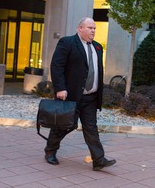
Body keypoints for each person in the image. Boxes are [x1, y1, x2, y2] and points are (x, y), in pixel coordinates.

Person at [44, 17, 116, 171]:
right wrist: (60, 88)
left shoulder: (97, 47)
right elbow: (57, 66)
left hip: (90, 97)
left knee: (91, 128)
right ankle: (50, 150)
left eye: (94, 28)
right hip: (71, 96)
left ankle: (98, 159)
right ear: (80, 29)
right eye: (90, 28)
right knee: (64, 126)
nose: (93, 31)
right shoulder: (67, 43)